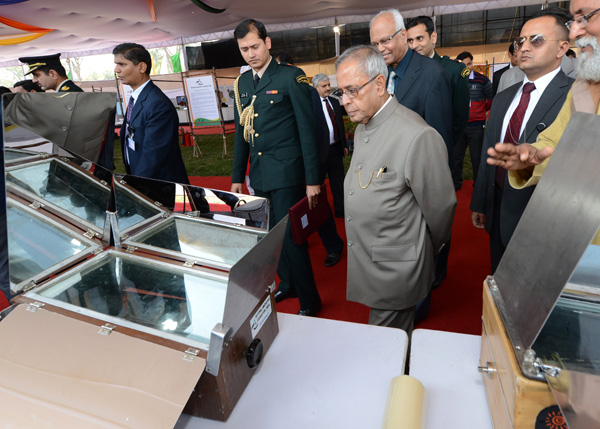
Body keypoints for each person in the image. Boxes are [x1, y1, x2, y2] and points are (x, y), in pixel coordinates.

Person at [335, 44, 456, 337]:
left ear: (379, 84)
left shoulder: (417, 136)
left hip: (396, 270)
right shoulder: (365, 123)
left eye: (352, 90)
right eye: (341, 92)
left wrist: (422, 251)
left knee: (383, 349)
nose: (344, 101)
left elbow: (441, 211)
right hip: (373, 264)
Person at [487, 0, 600, 247]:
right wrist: (529, 159)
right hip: (574, 241)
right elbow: (553, 144)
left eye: (584, 17)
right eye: (573, 21)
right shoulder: (585, 87)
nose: (574, 32)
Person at [470, 7, 574, 273]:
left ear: (562, 48)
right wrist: (480, 201)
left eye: (536, 40)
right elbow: (488, 154)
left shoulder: (577, 96)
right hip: (497, 207)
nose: (524, 47)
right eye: (521, 41)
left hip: (542, 219)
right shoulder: (505, 96)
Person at [230, 19, 322, 316]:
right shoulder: (243, 83)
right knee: (270, 235)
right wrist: (236, 177)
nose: (250, 54)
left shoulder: (291, 78)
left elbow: (307, 131)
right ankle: (288, 283)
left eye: (255, 46)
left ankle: (310, 300)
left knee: (292, 239)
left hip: (287, 172)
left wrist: (313, 179)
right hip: (259, 172)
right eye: (244, 49)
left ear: (268, 43)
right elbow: (242, 133)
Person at [405, 15, 469, 319]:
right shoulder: (403, 70)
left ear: (433, 37)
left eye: (420, 38)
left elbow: (457, 118)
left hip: (441, 152)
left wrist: (444, 156)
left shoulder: (453, 71)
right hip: (411, 158)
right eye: (411, 40)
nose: (415, 45)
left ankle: (439, 268)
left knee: (440, 214)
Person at [369, 9, 453, 159]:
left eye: (385, 40)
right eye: (375, 44)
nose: (380, 49)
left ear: (403, 35)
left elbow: (439, 141)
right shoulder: (380, 75)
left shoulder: (433, 75)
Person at [113, 43, 189, 184]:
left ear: (142, 67)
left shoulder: (157, 104)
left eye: (122, 64)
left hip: (159, 187)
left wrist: (135, 186)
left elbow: (153, 155)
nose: (116, 70)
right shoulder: (138, 98)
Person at [310, 73, 347, 267]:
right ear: (315, 87)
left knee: (339, 182)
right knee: (317, 188)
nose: (327, 88)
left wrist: (344, 145)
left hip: (335, 150)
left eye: (328, 84)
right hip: (318, 154)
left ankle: (341, 210)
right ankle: (318, 217)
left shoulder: (333, 102)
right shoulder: (310, 104)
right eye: (323, 85)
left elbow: (339, 124)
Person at [455, 51, 494, 190]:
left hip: (476, 126)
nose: (467, 67)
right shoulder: (454, 80)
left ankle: (479, 186)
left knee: (477, 158)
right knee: (456, 158)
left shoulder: (482, 80)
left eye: (469, 63)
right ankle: (456, 184)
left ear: (472, 63)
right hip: (459, 127)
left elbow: (490, 100)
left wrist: (480, 112)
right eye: (463, 65)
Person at [18, 54, 83, 92]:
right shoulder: (68, 91)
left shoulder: (66, 94)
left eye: (37, 75)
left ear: (53, 74)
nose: (34, 80)